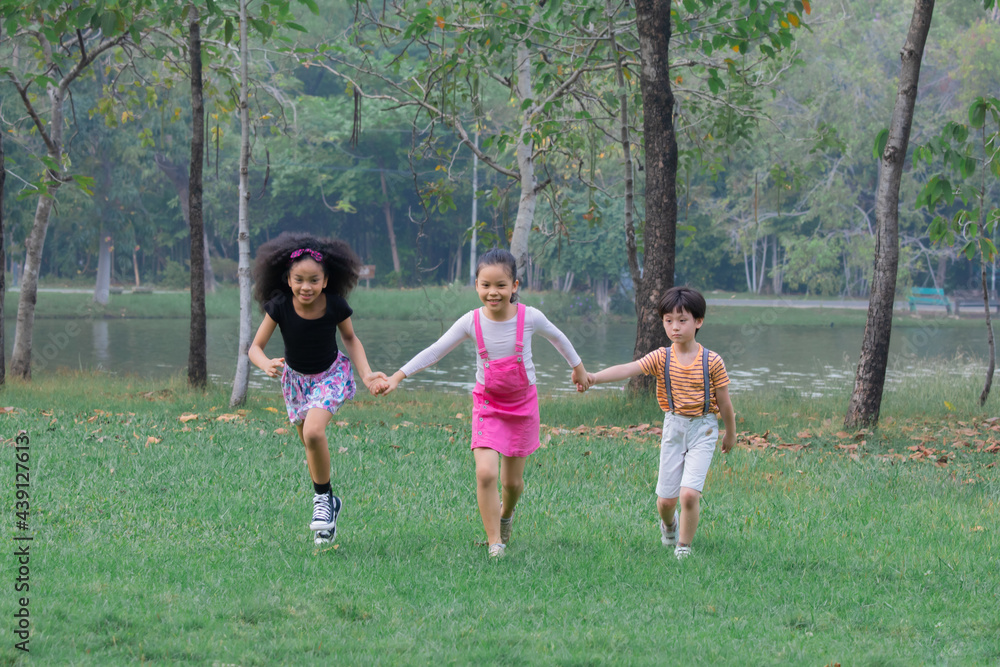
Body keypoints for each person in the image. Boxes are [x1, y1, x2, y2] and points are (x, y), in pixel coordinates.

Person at [380, 248, 591, 559]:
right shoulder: (471, 321)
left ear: (515, 285)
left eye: (501, 286)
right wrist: (398, 376)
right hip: (488, 405)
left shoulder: (530, 317)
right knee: (486, 474)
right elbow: (436, 350)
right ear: (477, 285)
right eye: (486, 285)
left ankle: (506, 515)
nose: (493, 293)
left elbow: (559, 338)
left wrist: (578, 368)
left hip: (522, 406)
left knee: (513, 482)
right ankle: (495, 542)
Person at [248, 232, 387, 545]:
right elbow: (255, 347)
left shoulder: (335, 305)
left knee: (313, 433)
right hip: (295, 382)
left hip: (330, 375)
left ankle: (322, 502)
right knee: (310, 445)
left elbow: (350, 339)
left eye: (314, 280)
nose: (306, 287)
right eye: (299, 279)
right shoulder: (280, 306)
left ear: (326, 281)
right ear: (287, 279)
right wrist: (264, 363)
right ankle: (329, 509)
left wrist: (366, 375)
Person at [582, 286, 735, 560]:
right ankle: (669, 525)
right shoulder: (661, 357)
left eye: (682, 320)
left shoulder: (712, 361)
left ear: (698, 322)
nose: (675, 327)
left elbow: (725, 403)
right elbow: (628, 369)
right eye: (668, 321)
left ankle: (683, 548)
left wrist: (730, 434)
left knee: (689, 494)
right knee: (666, 501)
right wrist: (593, 378)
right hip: (674, 427)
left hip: (705, 428)